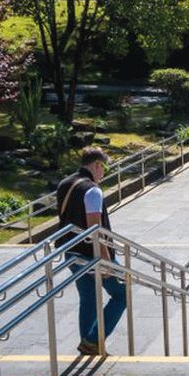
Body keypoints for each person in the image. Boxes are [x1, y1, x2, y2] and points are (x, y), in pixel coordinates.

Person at [56, 146, 125, 356]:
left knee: (88, 298)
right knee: (122, 294)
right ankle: (93, 340)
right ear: (96, 164)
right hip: (91, 255)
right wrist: (105, 259)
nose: (103, 172)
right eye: (102, 167)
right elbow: (95, 229)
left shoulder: (65, 183)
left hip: (71, 251)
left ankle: (89, 347)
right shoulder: (92, 190)